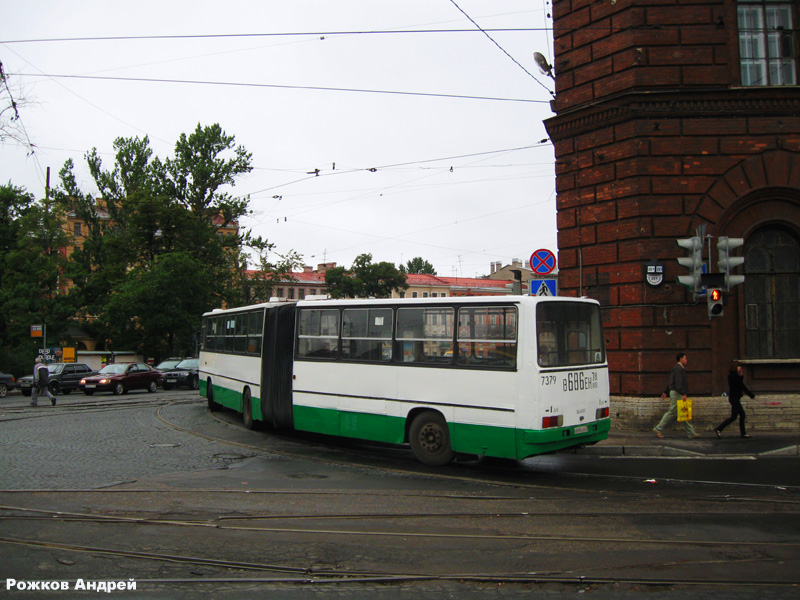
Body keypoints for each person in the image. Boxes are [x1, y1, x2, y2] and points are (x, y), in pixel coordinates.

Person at [653, 352, 700, 439]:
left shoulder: (676, 368)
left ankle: (691, 433)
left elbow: (671, 381)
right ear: (681, 359)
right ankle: (658, 428)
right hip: (677, 393)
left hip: (675, 392)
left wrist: (665, 391)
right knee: (673, 412)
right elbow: (678, 383)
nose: (686, 360)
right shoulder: (679, 369)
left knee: (684, 412)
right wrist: (683, 393)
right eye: (685, 358)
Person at [715, 362, 754, 438]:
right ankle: (742, 433)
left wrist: (741, 375)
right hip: (734, 398)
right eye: (739, 366)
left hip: (734, 398)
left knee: (735, 416)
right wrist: (751, 395)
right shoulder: (734, 376)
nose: (740, 368)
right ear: (735, 367)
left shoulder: (733, 376)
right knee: (740, 415)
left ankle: (719, 429)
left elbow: (740, 384)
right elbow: (741, 386)